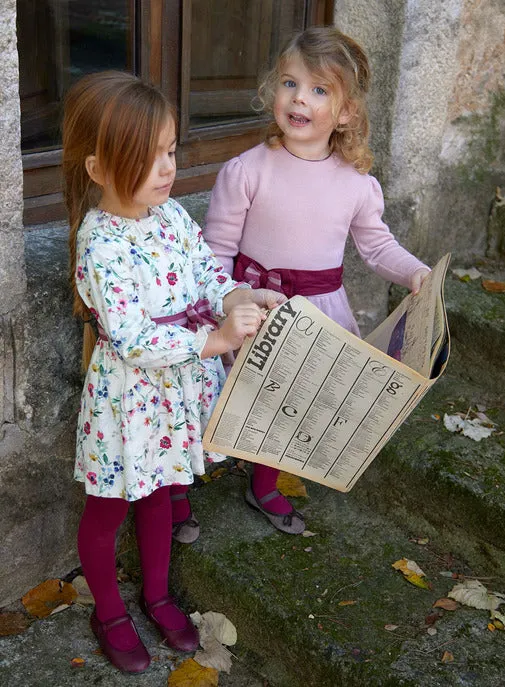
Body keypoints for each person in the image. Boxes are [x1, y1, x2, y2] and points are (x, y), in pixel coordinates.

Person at [63, 70, 285, 673]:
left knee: (161, 492)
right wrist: (214, 339)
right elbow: (133, 338)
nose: (166, 168)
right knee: (108, 506)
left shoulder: (172, 217)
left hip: (174, 394)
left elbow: (205, 276)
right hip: (129, 398)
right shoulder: (101, 244)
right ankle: (107, 608)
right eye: (147, 156)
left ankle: (157, 595)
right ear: (99, 170)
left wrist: (239, 295)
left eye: (169, 151)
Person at [203, 26, 430, 536]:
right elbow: (213, 252)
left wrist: (415, 271)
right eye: (289, 83)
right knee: (222, 397)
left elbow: (376, 246)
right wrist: (227, 298)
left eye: (319, 90)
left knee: (290, 403)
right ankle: (177, 491)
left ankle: (264, 484)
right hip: (253, 305)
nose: (299, 98)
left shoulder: (356, 184)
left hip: (318, 313)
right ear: (273, 91)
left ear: (346, 112)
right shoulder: (246, 171)